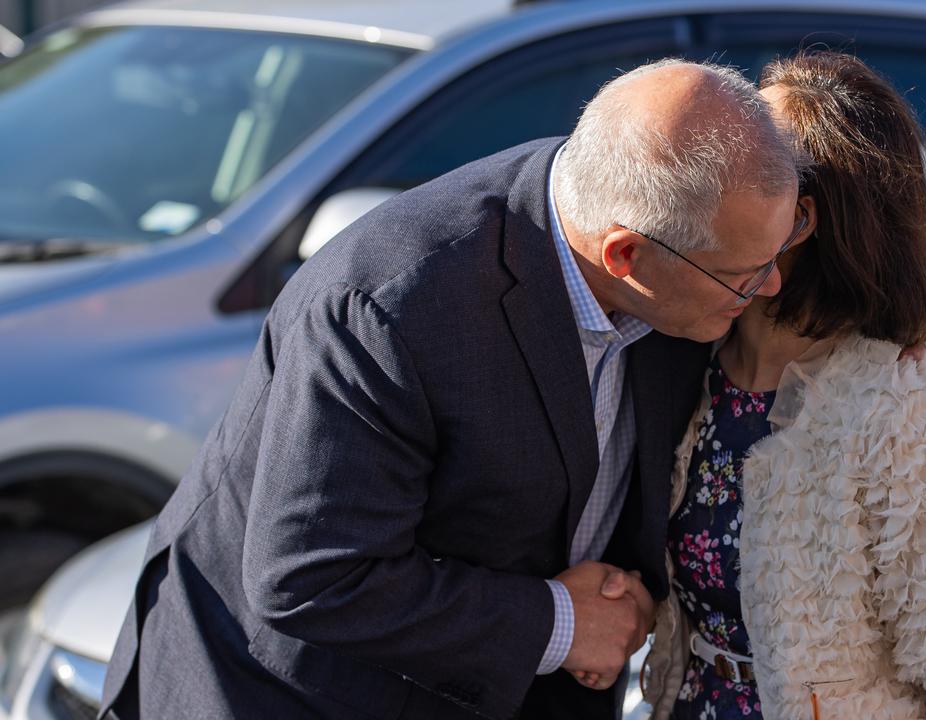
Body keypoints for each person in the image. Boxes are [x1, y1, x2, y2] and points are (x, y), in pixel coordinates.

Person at [99, 59, 804, 720]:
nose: (768, 287)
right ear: (626, 255)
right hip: (294, 693)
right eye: (744, 276)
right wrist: (559, 625)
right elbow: (313, 577)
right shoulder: (389, 306)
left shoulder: (677, 245)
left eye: (778, 253)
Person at [642, 51, 926, 720]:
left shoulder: (900, 407)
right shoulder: (683, 359)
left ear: (803, 218)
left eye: (756, 149)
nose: (722, 160)